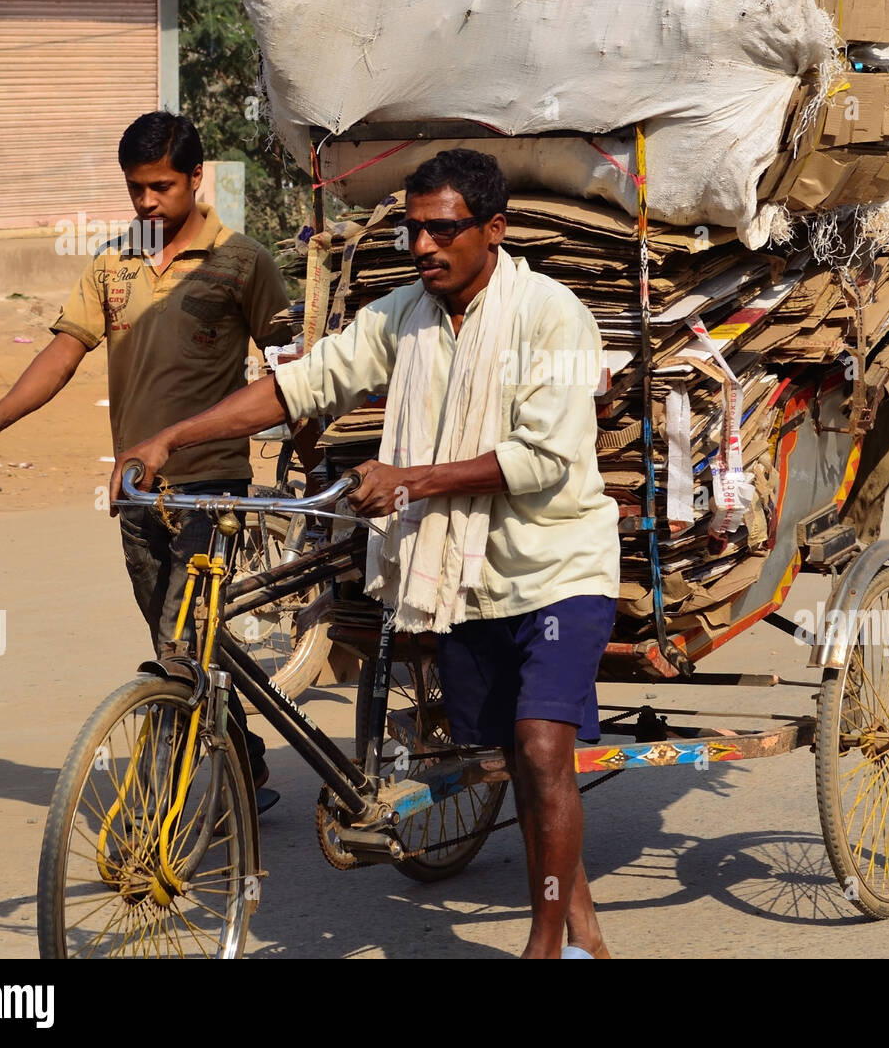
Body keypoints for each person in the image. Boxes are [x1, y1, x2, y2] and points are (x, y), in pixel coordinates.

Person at [110, 149, 621, 959]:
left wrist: (409, 481)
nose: (422, 246)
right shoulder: (403, 315)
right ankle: (581, 915)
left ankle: (547, 943)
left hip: (555, 569)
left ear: (494, 229)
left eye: (442, 229)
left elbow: (545, 459)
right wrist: (172, 436)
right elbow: (299, 387)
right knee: (516, 763)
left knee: (539, 747)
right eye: (411, 230)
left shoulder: (552, 317)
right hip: (464, 580)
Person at [0, 111, 293, 811]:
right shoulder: (112, 262)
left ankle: (157, 820)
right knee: (187, 644)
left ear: (197, 179)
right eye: (135, 188)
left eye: (161, 186)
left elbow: (288, 370)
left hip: (214, 493)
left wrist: (314, 456)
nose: (146, 202)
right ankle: (248, 762)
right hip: (138, 494)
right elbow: (65, 350)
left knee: (177, 648)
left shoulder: (243, 262)